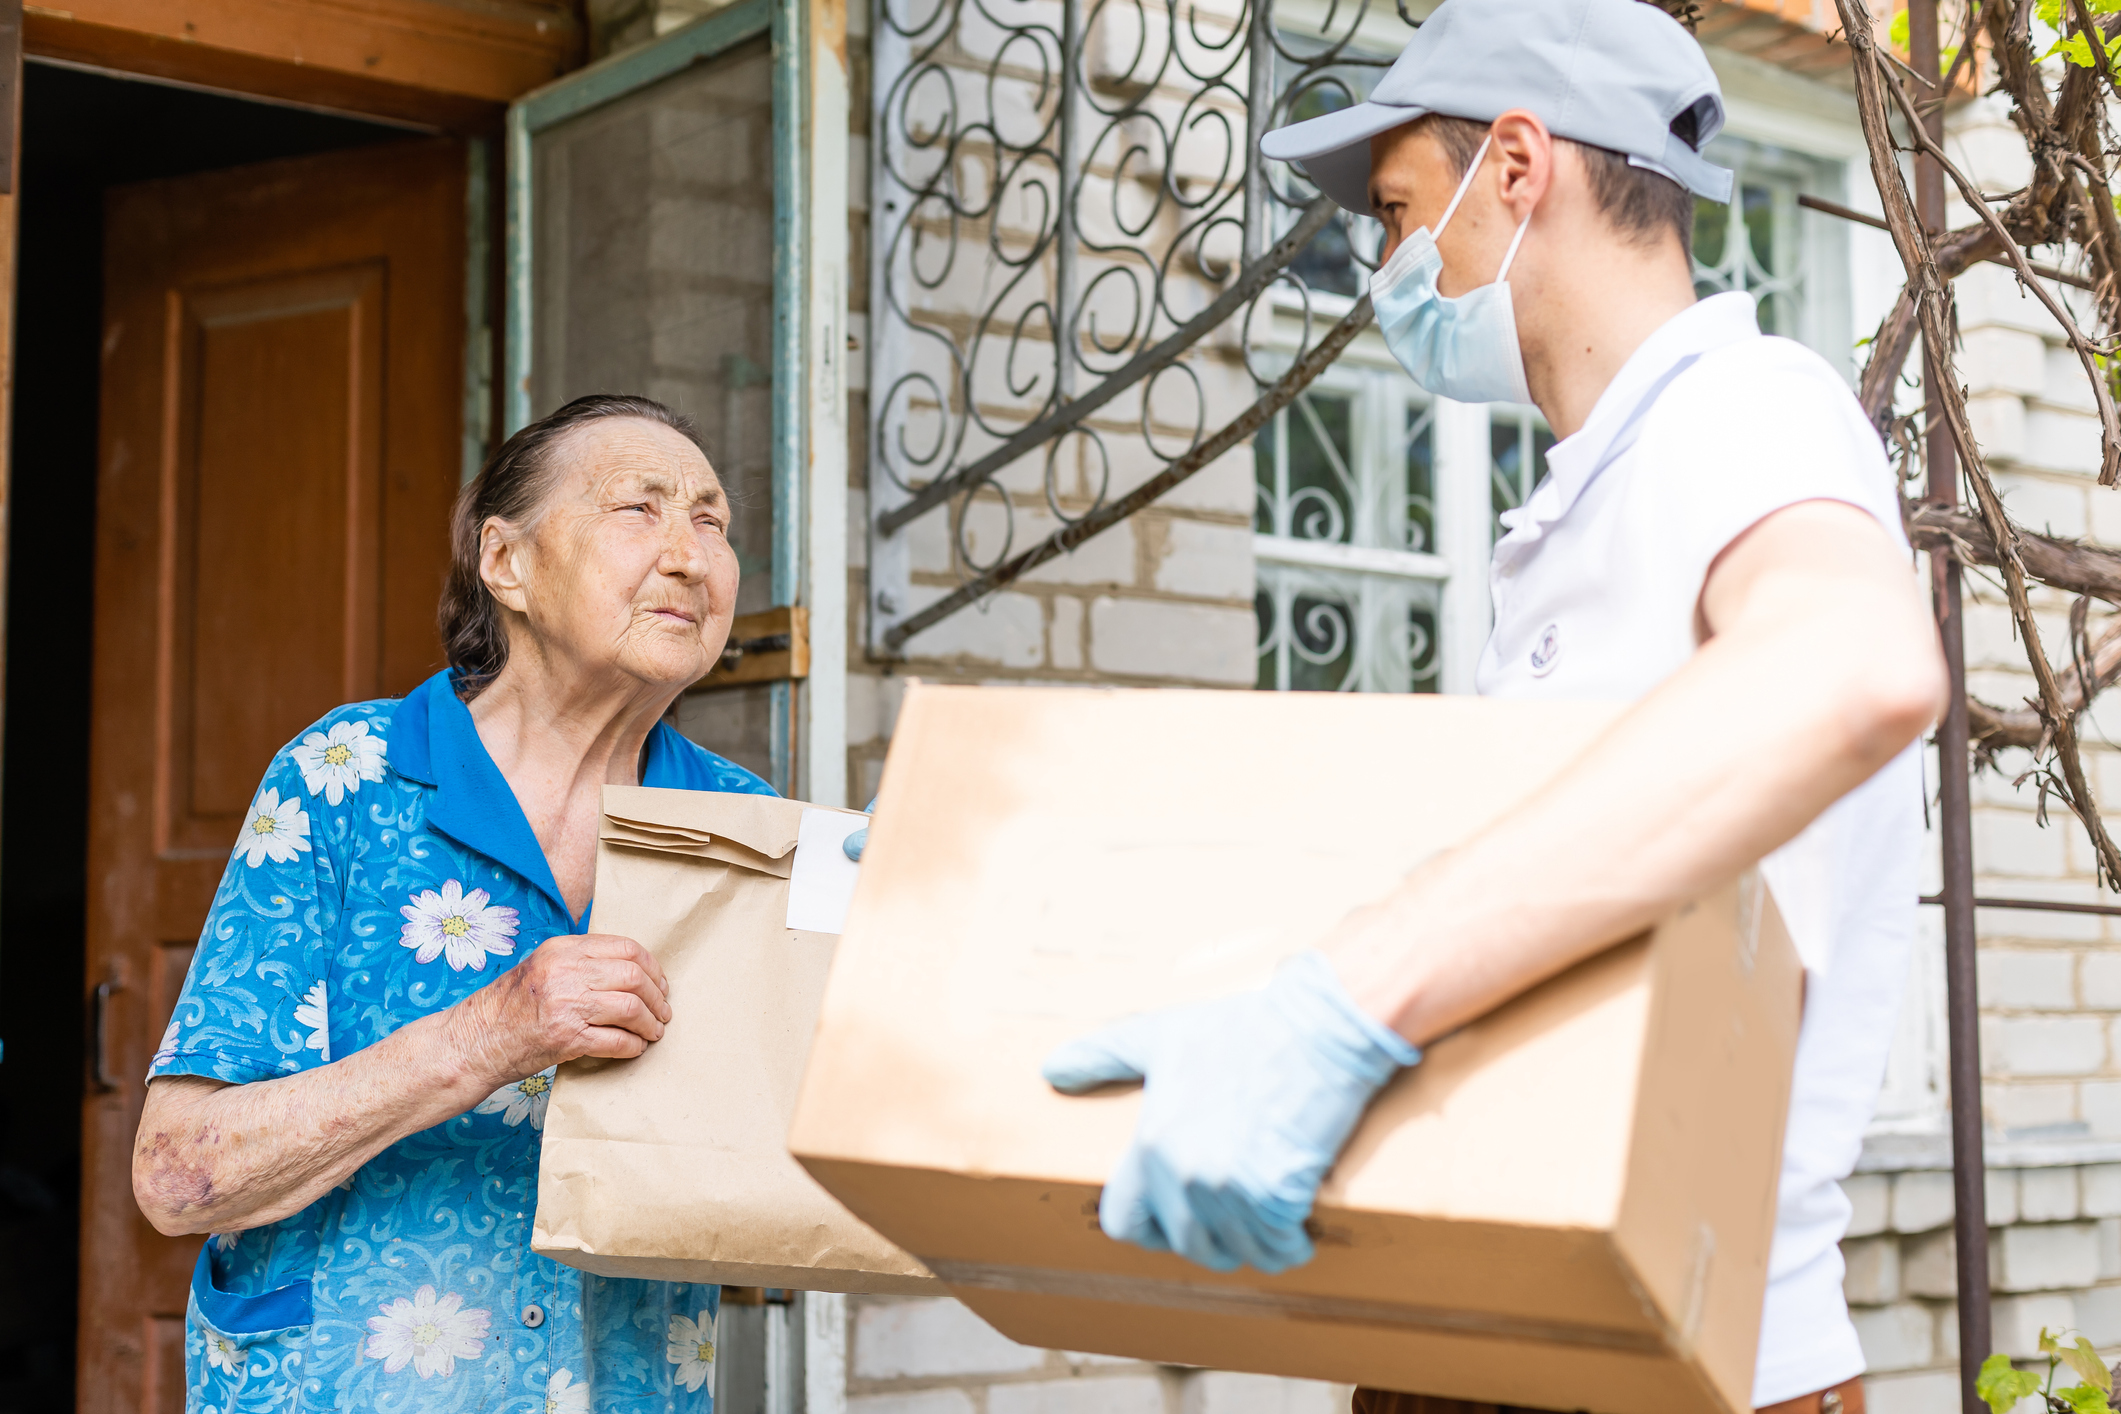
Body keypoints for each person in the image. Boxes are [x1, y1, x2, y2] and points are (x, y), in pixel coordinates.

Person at [1039, 3, 1946, 1414]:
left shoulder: (1749, 410)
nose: (1386, 267)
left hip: (1680, 1361)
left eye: (1400, 211)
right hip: (1493, 1338)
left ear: (1518, 166)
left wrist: (1345, 1006)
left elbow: (1856, 667)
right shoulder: (1578, 499)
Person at [133, 394, 770, 1413]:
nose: (692, 555)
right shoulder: (346, 780)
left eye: (712, 520)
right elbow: (174, 1176)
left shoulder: (744, 831)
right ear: (506, 562)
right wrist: (494, 1031)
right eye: (638, 509)